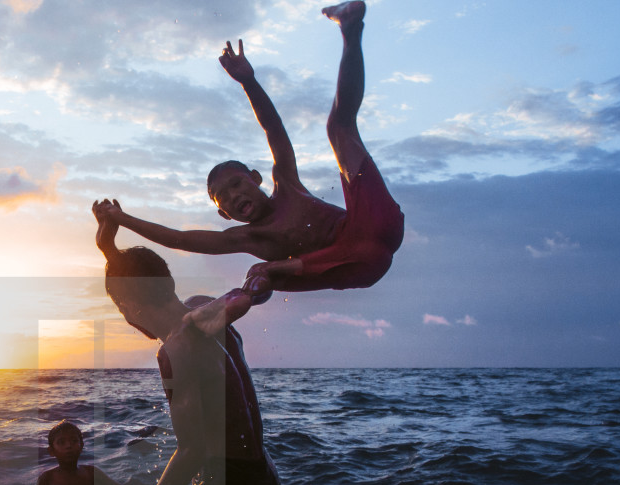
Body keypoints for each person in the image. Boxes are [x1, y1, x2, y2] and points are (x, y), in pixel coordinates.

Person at [94, 1, 403, 334]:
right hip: (352, 267)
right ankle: (236, 304)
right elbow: (179, 239)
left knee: (339, 129)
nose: (233, 195)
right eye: (222, 198)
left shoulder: (287, 183)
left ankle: (350, 28)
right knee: (263, 271)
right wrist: (121, 219)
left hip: (374, 226)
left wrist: (249, 82)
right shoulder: (245, 237)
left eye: (237, 184)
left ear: (256, 179)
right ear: (225, 215)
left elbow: (273, 129)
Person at [93, 203, 283, 485]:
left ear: (127, 307)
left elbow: (191, 451)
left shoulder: (173, 352)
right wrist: (109, 248)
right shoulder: (203, 309)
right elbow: (139, 280)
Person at [37, 420, 137, 485]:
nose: (68, 446)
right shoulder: (46, 479)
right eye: (61, 442)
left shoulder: (91, 472)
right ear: (51, 451)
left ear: (81, 446)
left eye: (73, 440)